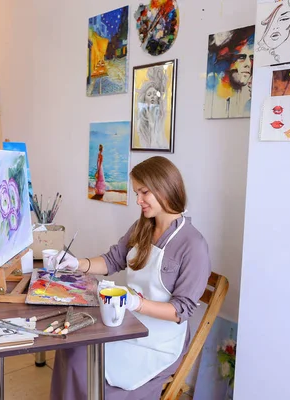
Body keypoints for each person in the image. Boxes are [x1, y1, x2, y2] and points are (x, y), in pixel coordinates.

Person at [51, 156, 211, 399]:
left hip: (159, 340)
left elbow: (181, 311)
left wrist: (137, 303)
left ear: (165, 188)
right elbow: (113, 259)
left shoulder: (193, 244)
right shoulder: (142, 226)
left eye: (143, 192)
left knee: (95, 372)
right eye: (137, 193)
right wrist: (78, 263)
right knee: (71, 349)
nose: (138, 200)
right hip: (129, 322)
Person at [136, 67, 168, 149]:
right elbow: (148, 145)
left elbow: (161, 144)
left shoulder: (162, 114)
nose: (152, 96)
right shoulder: (141, 122)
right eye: (149, 95)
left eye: (154, 94)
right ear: (145, 99)